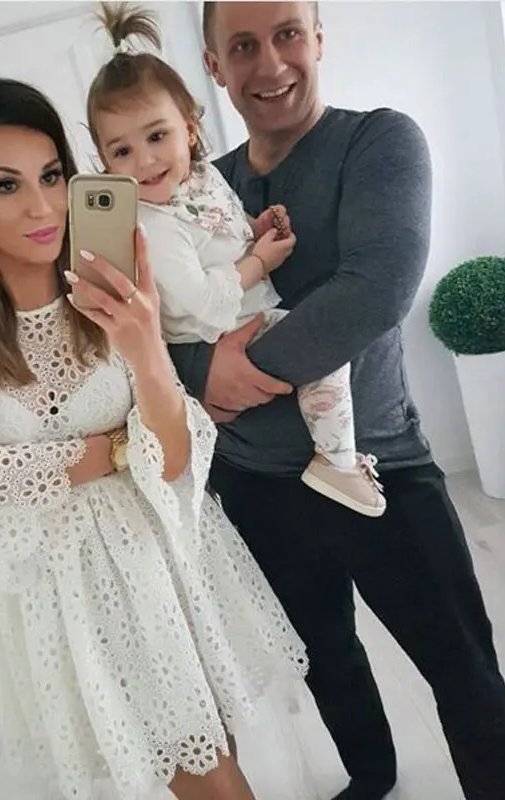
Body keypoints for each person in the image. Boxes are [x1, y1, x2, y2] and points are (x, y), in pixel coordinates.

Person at [0, 77, 309, 800]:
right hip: (68, 598)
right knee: (210, 779)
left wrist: (145, 342)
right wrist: (121, 447)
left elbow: (177, 456)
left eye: (52, 175)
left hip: (167, 560)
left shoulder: (109, 293)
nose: (42, 206)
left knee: (217, 754)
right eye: (5, 185)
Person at [166, 3, 505, 799]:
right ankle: (371, 779)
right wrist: (197, 370)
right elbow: (161, 321)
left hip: (377, 469)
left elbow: (374, 291)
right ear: (214, 65)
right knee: (324, 660)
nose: (270, 64)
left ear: (318, 38)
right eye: (243, 46)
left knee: (462, 668)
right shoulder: (200, 188)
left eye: (288, 33)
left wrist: (228, 375)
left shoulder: (379, 141)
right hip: (254, 485)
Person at [85, 3, 386, 518]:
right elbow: (204, 303)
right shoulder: (152, 223)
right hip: (219, 328)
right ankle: (336, 459)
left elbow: (222, 225)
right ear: (104, 161)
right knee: (325, 357)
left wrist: (254, 227)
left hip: (245, 321)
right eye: (122, 152)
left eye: (156, 137)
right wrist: (260, 262)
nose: (145, 162)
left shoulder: (202, 179)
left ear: (189, 129)